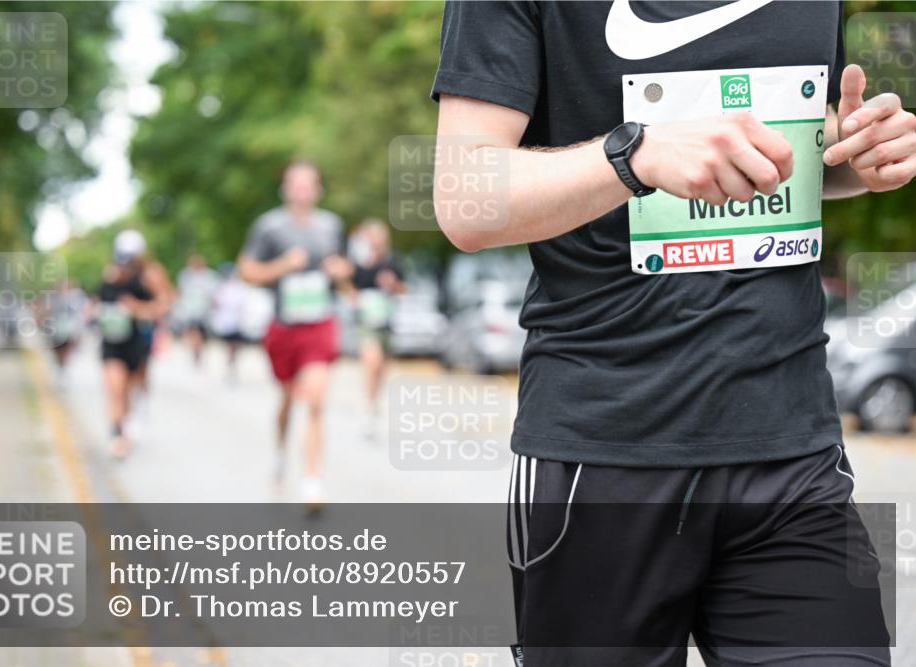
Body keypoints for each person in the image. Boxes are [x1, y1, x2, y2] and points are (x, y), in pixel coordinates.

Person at [432, 2, 914, 665]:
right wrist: (636, 155)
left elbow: (796, 143)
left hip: (790, 447)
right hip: (602, 454)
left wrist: (857, 153)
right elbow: (464, 199)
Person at [239, 161, 353, 506]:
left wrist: (340, 272)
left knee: (316, 400)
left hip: (320, 323)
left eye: (308, 184)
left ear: (318, 189)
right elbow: (247, 272)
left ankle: (312, 481)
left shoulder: (332, 226)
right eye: (296, 184)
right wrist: (283, 265)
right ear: (285, 189)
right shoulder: (269, 227)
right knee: (288, 399)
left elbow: (346, 271)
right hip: (284, 326)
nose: (302, 190)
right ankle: (279, 451)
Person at [97, 230, 173, 459]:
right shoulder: (110, 273)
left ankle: (134, 417)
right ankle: (118, 435)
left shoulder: (151, 274)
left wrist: (137, 309)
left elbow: (165, 304)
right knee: (116, 389)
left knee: (133, 386)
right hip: (112, 341)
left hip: (138, 339)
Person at [348, 219, 406, 439]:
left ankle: (373, 403)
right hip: (365, 322)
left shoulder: (393, 261)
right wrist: (353, 297)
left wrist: (393, 285)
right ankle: (368, 406)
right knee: (371, 362)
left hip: (386, 322)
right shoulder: (358, 263)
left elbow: (404, 289)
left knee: (380, 367)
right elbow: (347, 286)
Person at [176, 253, 220, 366]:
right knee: (194, 331)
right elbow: (181, 292)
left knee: (201, 333)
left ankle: (197, 350)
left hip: (204, 311)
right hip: (190, 311)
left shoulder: (210, 276)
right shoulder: (186, 275)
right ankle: (195, 351)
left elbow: (214, 294)